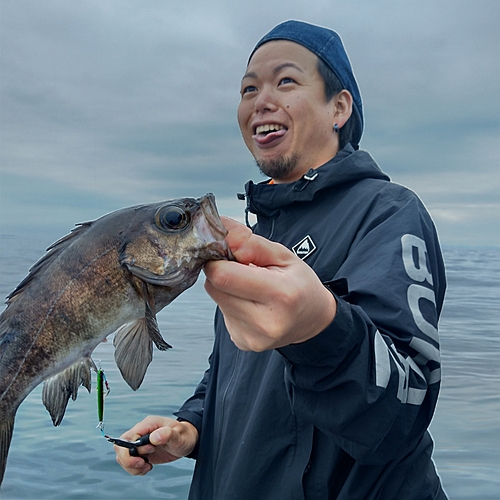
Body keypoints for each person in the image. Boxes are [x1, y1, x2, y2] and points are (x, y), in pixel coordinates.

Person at [115, 20, 448, 500]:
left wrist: (321, 327)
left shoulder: (389, 212)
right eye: (248, 88)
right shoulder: (255, 231)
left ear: (339, 107)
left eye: (285, 81)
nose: (260, 100)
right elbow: (234, 372)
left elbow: (403, 412)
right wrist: (190, 428)